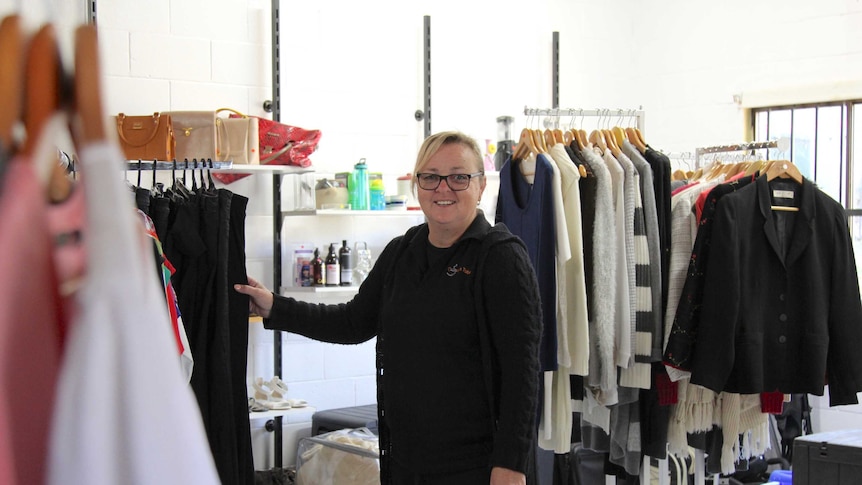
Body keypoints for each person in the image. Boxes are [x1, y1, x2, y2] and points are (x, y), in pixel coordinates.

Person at [235, 131, 542, 485]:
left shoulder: (500, 257)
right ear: (417, 184)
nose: (443, 188)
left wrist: (511, 464)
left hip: (477, 465)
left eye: (459, 176)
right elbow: (351, 322)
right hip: (405, 460)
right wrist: (274, 307)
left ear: (481, 185)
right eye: (430, 176)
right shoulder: (402, 252)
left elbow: (523, 373)